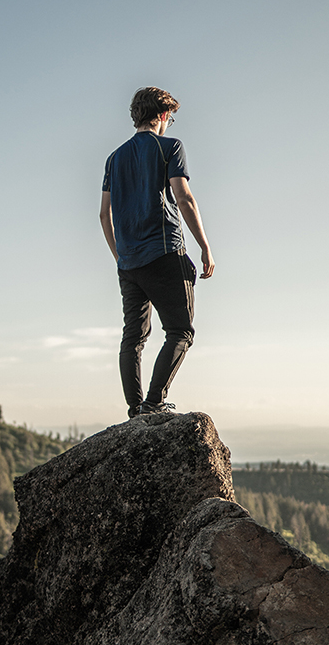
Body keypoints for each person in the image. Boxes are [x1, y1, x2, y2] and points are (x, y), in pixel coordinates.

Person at [100, 86, 215, 418]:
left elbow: (103, 214)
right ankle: (154, 403)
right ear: (164, 115)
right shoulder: (170, 147)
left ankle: (136, 409)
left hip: (129, 263)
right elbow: (183, 197)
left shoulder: (114, 158)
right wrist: (205, 246)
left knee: (133, 337)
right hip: (165, 253)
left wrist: (120, 256)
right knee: (180, 331)